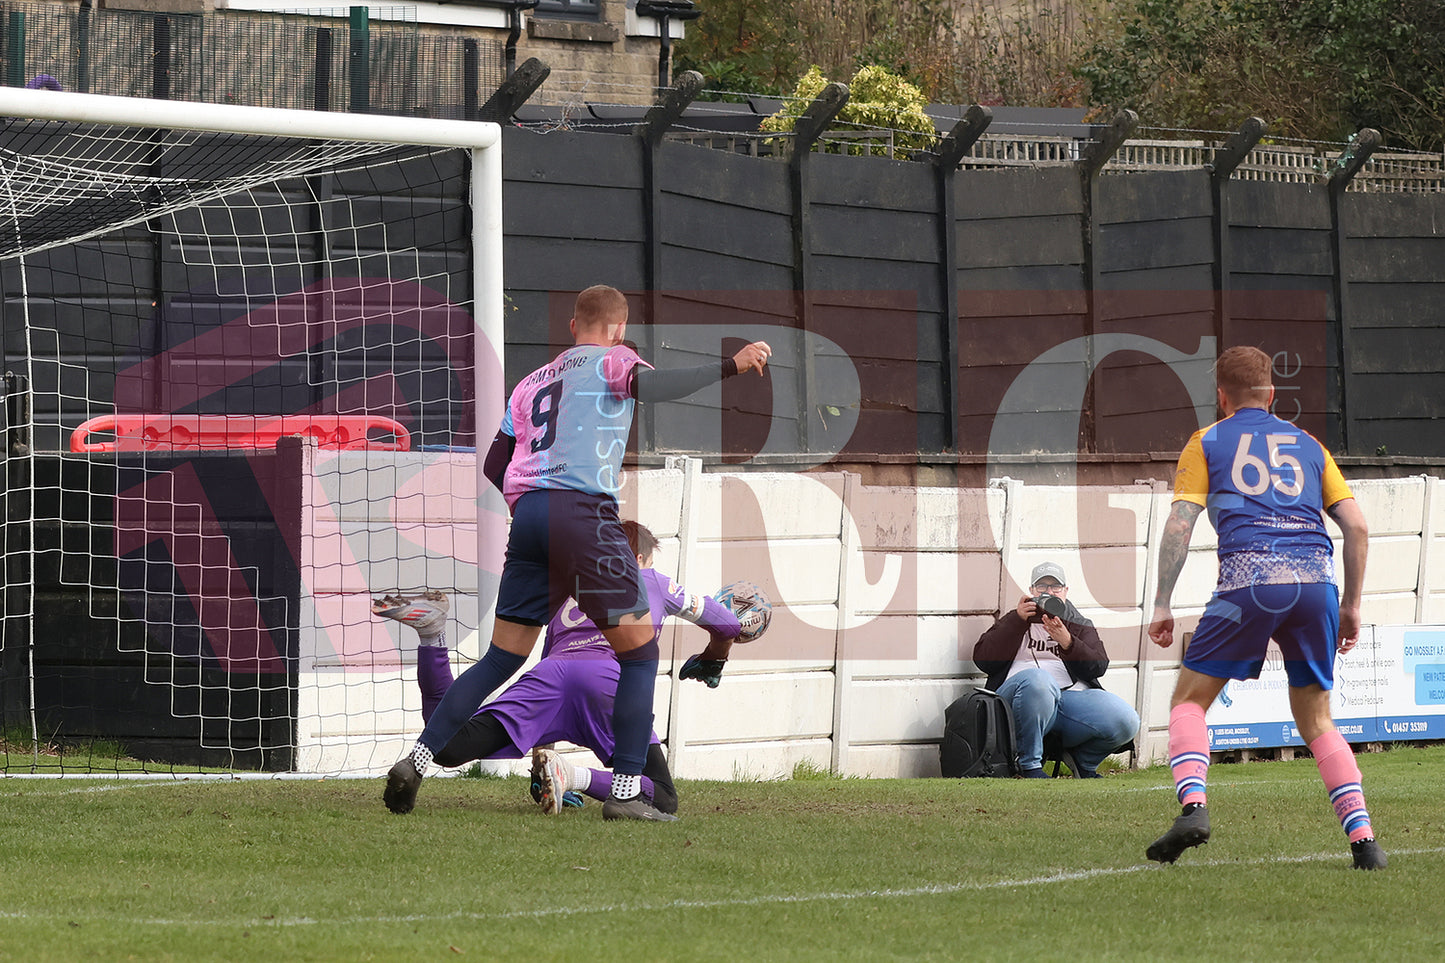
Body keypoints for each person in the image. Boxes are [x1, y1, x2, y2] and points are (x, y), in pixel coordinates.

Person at [384, 284, 770, 821]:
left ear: (572, 327)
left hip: (531, 519)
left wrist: (535, 508)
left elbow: (495, 467)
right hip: (584, 516)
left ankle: (417, 760)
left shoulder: (528, 384)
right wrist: (731, 365)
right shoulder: (616, 358)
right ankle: (629, 794)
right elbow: (657, 389)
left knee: (501, 658)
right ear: (618, 328)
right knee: (639, 653)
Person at [1146, 345, 1384, 870]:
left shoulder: (1206, 441)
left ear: (1221, 396)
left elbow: (1180, 524)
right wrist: (1351, 605)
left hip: (1248, 584)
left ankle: (1193, 807)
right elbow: (1358, 527)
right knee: (1318, 719)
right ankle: (1365, 842)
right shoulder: (1309, 444)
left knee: (1188, 702)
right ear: (1272, 394)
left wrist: (1161, 602)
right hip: (1314, 584)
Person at [375, 521, 743, 817]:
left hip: (551, 675)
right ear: (642, 557)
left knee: (448, 747)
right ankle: (575, 776)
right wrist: (716, 655)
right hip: (611, 683)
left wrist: (541, 762)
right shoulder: (655, 581)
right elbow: (727, 624)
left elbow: (550, 662)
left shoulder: (571, 590)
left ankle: (432, 636)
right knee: (662, 796)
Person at [972, 561, 1139, 778]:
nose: (1048, 593)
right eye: (1042, 588)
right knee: (1039, 681)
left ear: (1065, 592)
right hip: (1016, 702)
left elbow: (1098, 666)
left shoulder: (1077, 622)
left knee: (1127, 719)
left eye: (1055, 588)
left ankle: (1084, 762)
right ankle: (1029, 766)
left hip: (1066, 701)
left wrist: (1069, 642)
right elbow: (983, 660)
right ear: (1031, 591)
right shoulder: (1016, 619)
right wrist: (1016, 620)